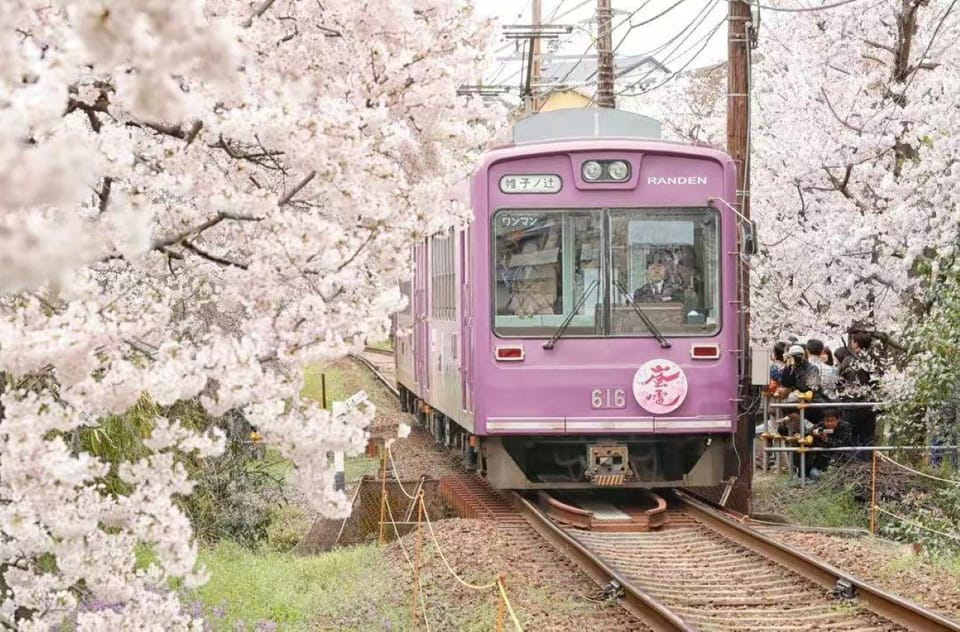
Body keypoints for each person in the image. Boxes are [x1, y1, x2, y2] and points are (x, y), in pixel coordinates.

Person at [838, 331, 877, 450]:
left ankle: (851, 466)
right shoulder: (873, 360)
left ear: (856, 343)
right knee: (867, 439)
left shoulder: (848, 361)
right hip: (869, 405)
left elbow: (839, 380)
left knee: (850, 438)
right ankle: (868, 465)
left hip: (851, 405)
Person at [777, 344, 824, 429]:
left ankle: (808, 429)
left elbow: (810, 388)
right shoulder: (791, 368)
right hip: (799, 401)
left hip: (813, 401)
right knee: (786, 407)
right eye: (794, 356)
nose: (797, 358)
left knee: (792, 406)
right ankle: (804, 429)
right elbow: (786, 384)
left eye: (799, 356)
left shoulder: (812, 368)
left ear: (804, 355)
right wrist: (788, 368)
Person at [808, 408, 853, 479]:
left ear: (838, 419)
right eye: (826, 421)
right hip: (821, 461)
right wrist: (814, 432)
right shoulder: (821, 426)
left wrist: (826, 439)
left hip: (840, 460)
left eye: (832, 421)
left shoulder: (845, 427)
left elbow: (843, 443)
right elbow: (809, 431)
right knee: (814, 474)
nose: (829, 423)